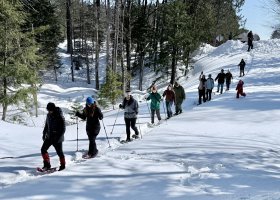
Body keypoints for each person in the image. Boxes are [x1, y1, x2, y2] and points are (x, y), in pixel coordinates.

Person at [41, 102, 66, 171]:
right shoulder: (48, 115)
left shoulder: (60, 116)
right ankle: (47, 165)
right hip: (49, 137)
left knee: (59, 152)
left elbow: (63, 129)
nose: (49, 111)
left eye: (50, 110)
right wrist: (44, 134)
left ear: (53, 109)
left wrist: (58, 137)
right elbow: (46, 125)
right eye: (48, 110)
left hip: (58, 138)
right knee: (43, 149)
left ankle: (63, 165)